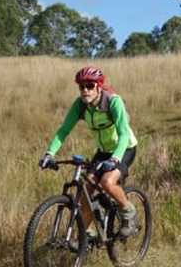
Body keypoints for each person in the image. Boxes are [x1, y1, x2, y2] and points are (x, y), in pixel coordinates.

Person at [39, 66, 139, 239]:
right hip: (103, 151)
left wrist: (115, 158)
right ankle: (86, 237)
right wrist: (49, 154)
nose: (85, 90)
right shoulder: (80, 106)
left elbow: (123, 133)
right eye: (81, 86)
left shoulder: (113, 101)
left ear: (99, 86)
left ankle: (129, 214)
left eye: (90, 86)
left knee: (108, 182)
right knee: (87, 188)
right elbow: (63, 131)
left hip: (124, 148)